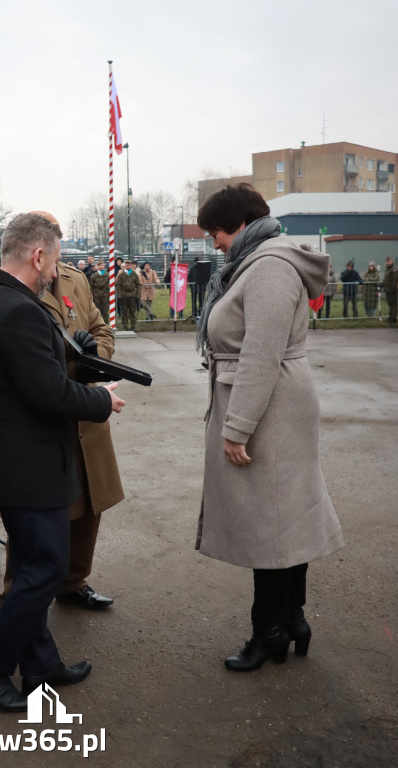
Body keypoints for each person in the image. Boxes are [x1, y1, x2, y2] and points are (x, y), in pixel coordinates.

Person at [0, 213, 125, 710]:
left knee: (34, 565)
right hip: (27, 467)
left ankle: (40, 664)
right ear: (37, 256)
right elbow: (49, 394)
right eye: (54, 261)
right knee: (46, 570)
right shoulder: (18, 310)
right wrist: (102, 400)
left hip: (11, 462)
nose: (55, 272)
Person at [195, 184, 344, 673]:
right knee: (283, 522)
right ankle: (292, 620)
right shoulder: (259, 262)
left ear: (237, 224)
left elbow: (261, 354)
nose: (213, 243)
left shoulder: (270, 267)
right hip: (272, 403)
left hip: (268, 407)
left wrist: (237, 428)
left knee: (271, 527)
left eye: (215, 232)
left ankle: (270, 632)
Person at [116, 258, 140, 331]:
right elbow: (118, 285)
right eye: (126, 265)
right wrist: (119, 295)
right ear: (125, 266)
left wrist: (138, 295)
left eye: (129, 265)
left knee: (132, 312)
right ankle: (125, 327)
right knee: (124, 312)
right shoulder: (121, 274)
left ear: (131, 265)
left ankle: (133, 327)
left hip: (132, 295)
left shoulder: (134, 274)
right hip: (124, 295)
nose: (128, 266)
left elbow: (138, 284)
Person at [90, 259, 110, 323]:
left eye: (102, 265)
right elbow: (91, 286)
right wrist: (92, 295)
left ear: (104, 266)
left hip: (105, 294)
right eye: (99, 265)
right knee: (97, 310)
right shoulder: (94, 275)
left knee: (105, 311)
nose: (101, 266)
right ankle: (98, 324)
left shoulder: (108, 275)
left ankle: (106, 324)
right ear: (97, 266)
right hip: (96, 294)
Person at [382, 256, 398, 323]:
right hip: (387, 289)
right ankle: (390, 316)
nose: (387, 263)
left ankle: (393, 318)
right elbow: (386, 280)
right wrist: (381, 285)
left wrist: (393, 288)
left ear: (391, 261)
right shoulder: (387, 270)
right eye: (386, 261)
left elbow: (394, 280)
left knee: (393, 304)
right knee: (390, 304)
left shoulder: (394, 269)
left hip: (392, 290)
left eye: (388, 261)